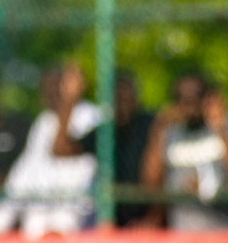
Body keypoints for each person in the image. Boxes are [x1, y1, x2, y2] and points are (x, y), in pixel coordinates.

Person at [0, 63, 100, 238]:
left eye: (56, 87)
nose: (49, 93)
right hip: (36, 232)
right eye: (45, 88)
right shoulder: (43, 122)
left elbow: (84, 180)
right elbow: (22, 176)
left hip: (74, 232)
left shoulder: (91, 116)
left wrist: (62, 226)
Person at [140, 71, 228, 231]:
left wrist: (220, 127)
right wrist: (159, 129)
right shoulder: (170, 134)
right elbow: (150, 185)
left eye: (197, 96)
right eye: (181, 98)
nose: (189, 104)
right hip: (185, 236)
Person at [51, 68, 156, 227]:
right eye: (118, 99)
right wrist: (69, 100)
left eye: (127, 99)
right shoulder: (104, 132)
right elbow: (60, 149)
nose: (122, 106)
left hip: (149, 219)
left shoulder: (152, 126)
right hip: (114, 221)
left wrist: (152, 220)